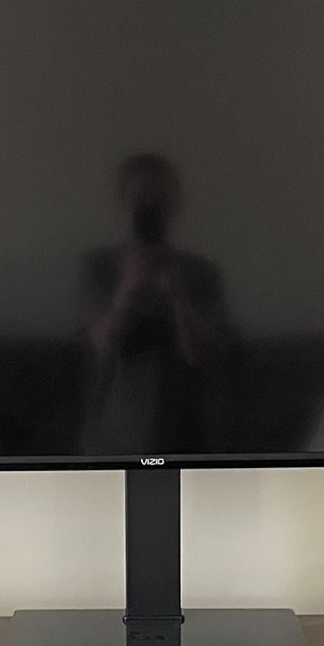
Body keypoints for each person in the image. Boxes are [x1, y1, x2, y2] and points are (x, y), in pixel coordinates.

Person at [80, 154, 227, 455]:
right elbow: (99, 344)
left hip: (185, 433)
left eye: (159, 199)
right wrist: (127, 288)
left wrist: (177, 294)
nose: (149, 205)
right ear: (123, 203)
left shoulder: (203, 272)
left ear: (174, 205)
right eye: (139, 198)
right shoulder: (98, 266)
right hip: (111, 436)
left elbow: (198, 353)